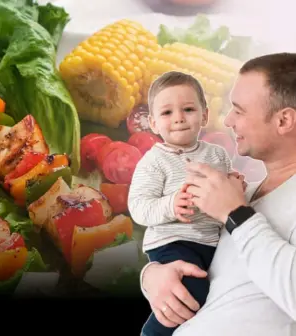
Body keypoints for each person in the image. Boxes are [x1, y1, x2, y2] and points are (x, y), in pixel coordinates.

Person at [139, 52, 296, 336]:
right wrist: (152, 276)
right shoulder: (240, 193)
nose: (228, 121)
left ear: (284, 120)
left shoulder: (236, 206)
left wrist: (236, 214)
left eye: (239, 110)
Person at [127, 70, 245, 336]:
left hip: (211, 243)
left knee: (213, 299)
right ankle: (152, 333)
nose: (179, 118)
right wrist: (171, 206)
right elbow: (138, 206)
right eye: (167, 113)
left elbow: (227, 197)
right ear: (153, 124)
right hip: (172, 242)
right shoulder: (153, 161)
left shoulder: (218, 154)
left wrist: (235, 184)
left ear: (204, 115)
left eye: (188, 109)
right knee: (189, 291)